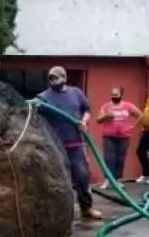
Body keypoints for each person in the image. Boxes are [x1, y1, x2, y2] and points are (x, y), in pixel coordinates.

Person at [37, 66, 103, 220]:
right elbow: (35, 117)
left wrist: (84, 122)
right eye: (50, 78)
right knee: (57, 180)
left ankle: (86, 208)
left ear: (64, 78)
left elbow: (87, 109)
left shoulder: (76, 93)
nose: (53, 81)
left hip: (75, 145)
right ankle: (57, 214)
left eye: (56, 78)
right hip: (55, 146)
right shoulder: (43, 97)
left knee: (82, 177)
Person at [96, 86, 141, 188]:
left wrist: (133, 127)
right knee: (109, 158)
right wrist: (106, 116)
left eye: (116, 95)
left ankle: (117, 180)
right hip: (108, 136)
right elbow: (98, 120)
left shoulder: (127, 106)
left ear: (121, 95)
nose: (113, 96)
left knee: (120, 159)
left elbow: (140, 115)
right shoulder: (106, 106)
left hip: (124, 136)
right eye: (112, 94)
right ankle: (107, 180)